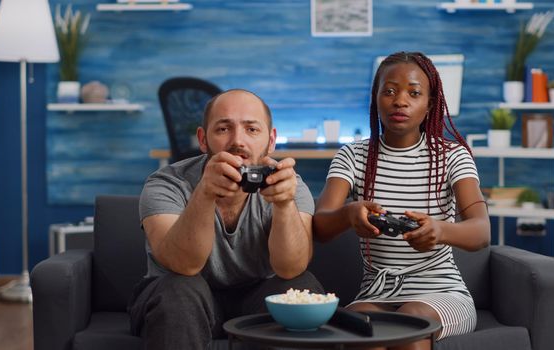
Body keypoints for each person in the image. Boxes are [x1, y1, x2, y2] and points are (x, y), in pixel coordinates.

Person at [313, 51, 490, 350]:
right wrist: (349, 214)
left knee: (409, 329)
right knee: (357, 335)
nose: (400, 101)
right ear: (376, 98)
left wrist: (440, 231)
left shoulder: (452, 156)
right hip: (376, 294)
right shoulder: (352, 157)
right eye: (390, 91)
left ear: (430, 103)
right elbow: (320, 226)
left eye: (414, 93)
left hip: (442, 293)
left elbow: (482, 232)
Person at [129, 89, 323, 350]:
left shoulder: (289, 185)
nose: (237, 141)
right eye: (223, 129)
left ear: (271, 139)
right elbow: (183, 265)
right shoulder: (167, 183)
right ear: (203, 139)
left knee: (303, 287)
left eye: (252, 129)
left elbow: (290, 268)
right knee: (179, 290)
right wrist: (205, 193)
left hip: (257, 296)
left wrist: (284, 204)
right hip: (180, 295)